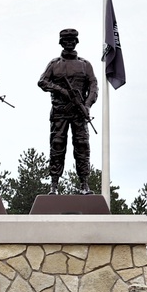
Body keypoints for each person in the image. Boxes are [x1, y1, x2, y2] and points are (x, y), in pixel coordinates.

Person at [37, 28, 98, 195]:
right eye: (66, 40)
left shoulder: (85, 65)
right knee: (57, 146)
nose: (69, 42)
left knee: (82, 146)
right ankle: (54, 185)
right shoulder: (54, 64)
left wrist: (87, 105)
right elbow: (42, 82)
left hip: (79, 113)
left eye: (72, 39)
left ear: (76, 42)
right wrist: (61, 90)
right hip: (59, 112)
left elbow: (94, 87)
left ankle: (84, 183)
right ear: (61, 42)